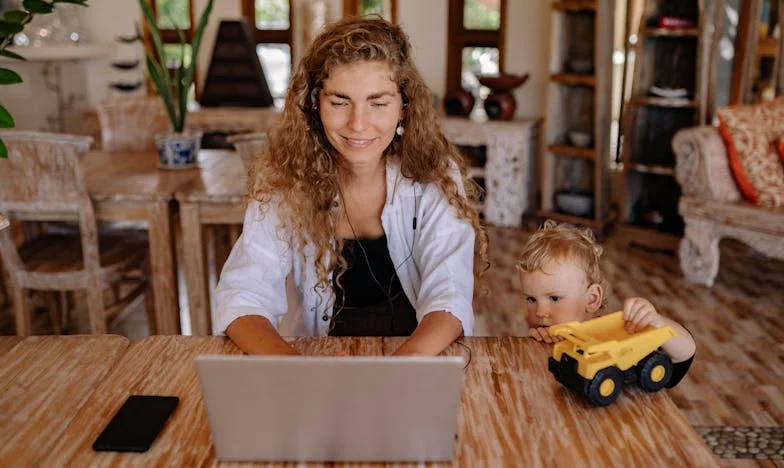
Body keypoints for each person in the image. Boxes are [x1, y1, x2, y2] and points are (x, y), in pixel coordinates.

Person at [214, 17, 488, 356]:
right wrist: (290, 367)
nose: (358, 124)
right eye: (339, 101)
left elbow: (450, 293)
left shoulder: (434, 175)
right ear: (315, 104)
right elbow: (243, 295)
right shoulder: (286, 180)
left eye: (378, 102)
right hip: (315, 361)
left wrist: (401, 369)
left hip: (417, 357)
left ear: (404, 107)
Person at [516, 220, 695, 386]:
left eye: (554, 298)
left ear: (592, 299)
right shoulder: (547, 337)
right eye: (531, 299)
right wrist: (537, 346)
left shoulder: (621, 334)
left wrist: (658, 323)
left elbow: (685, 354)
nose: (540, 312)